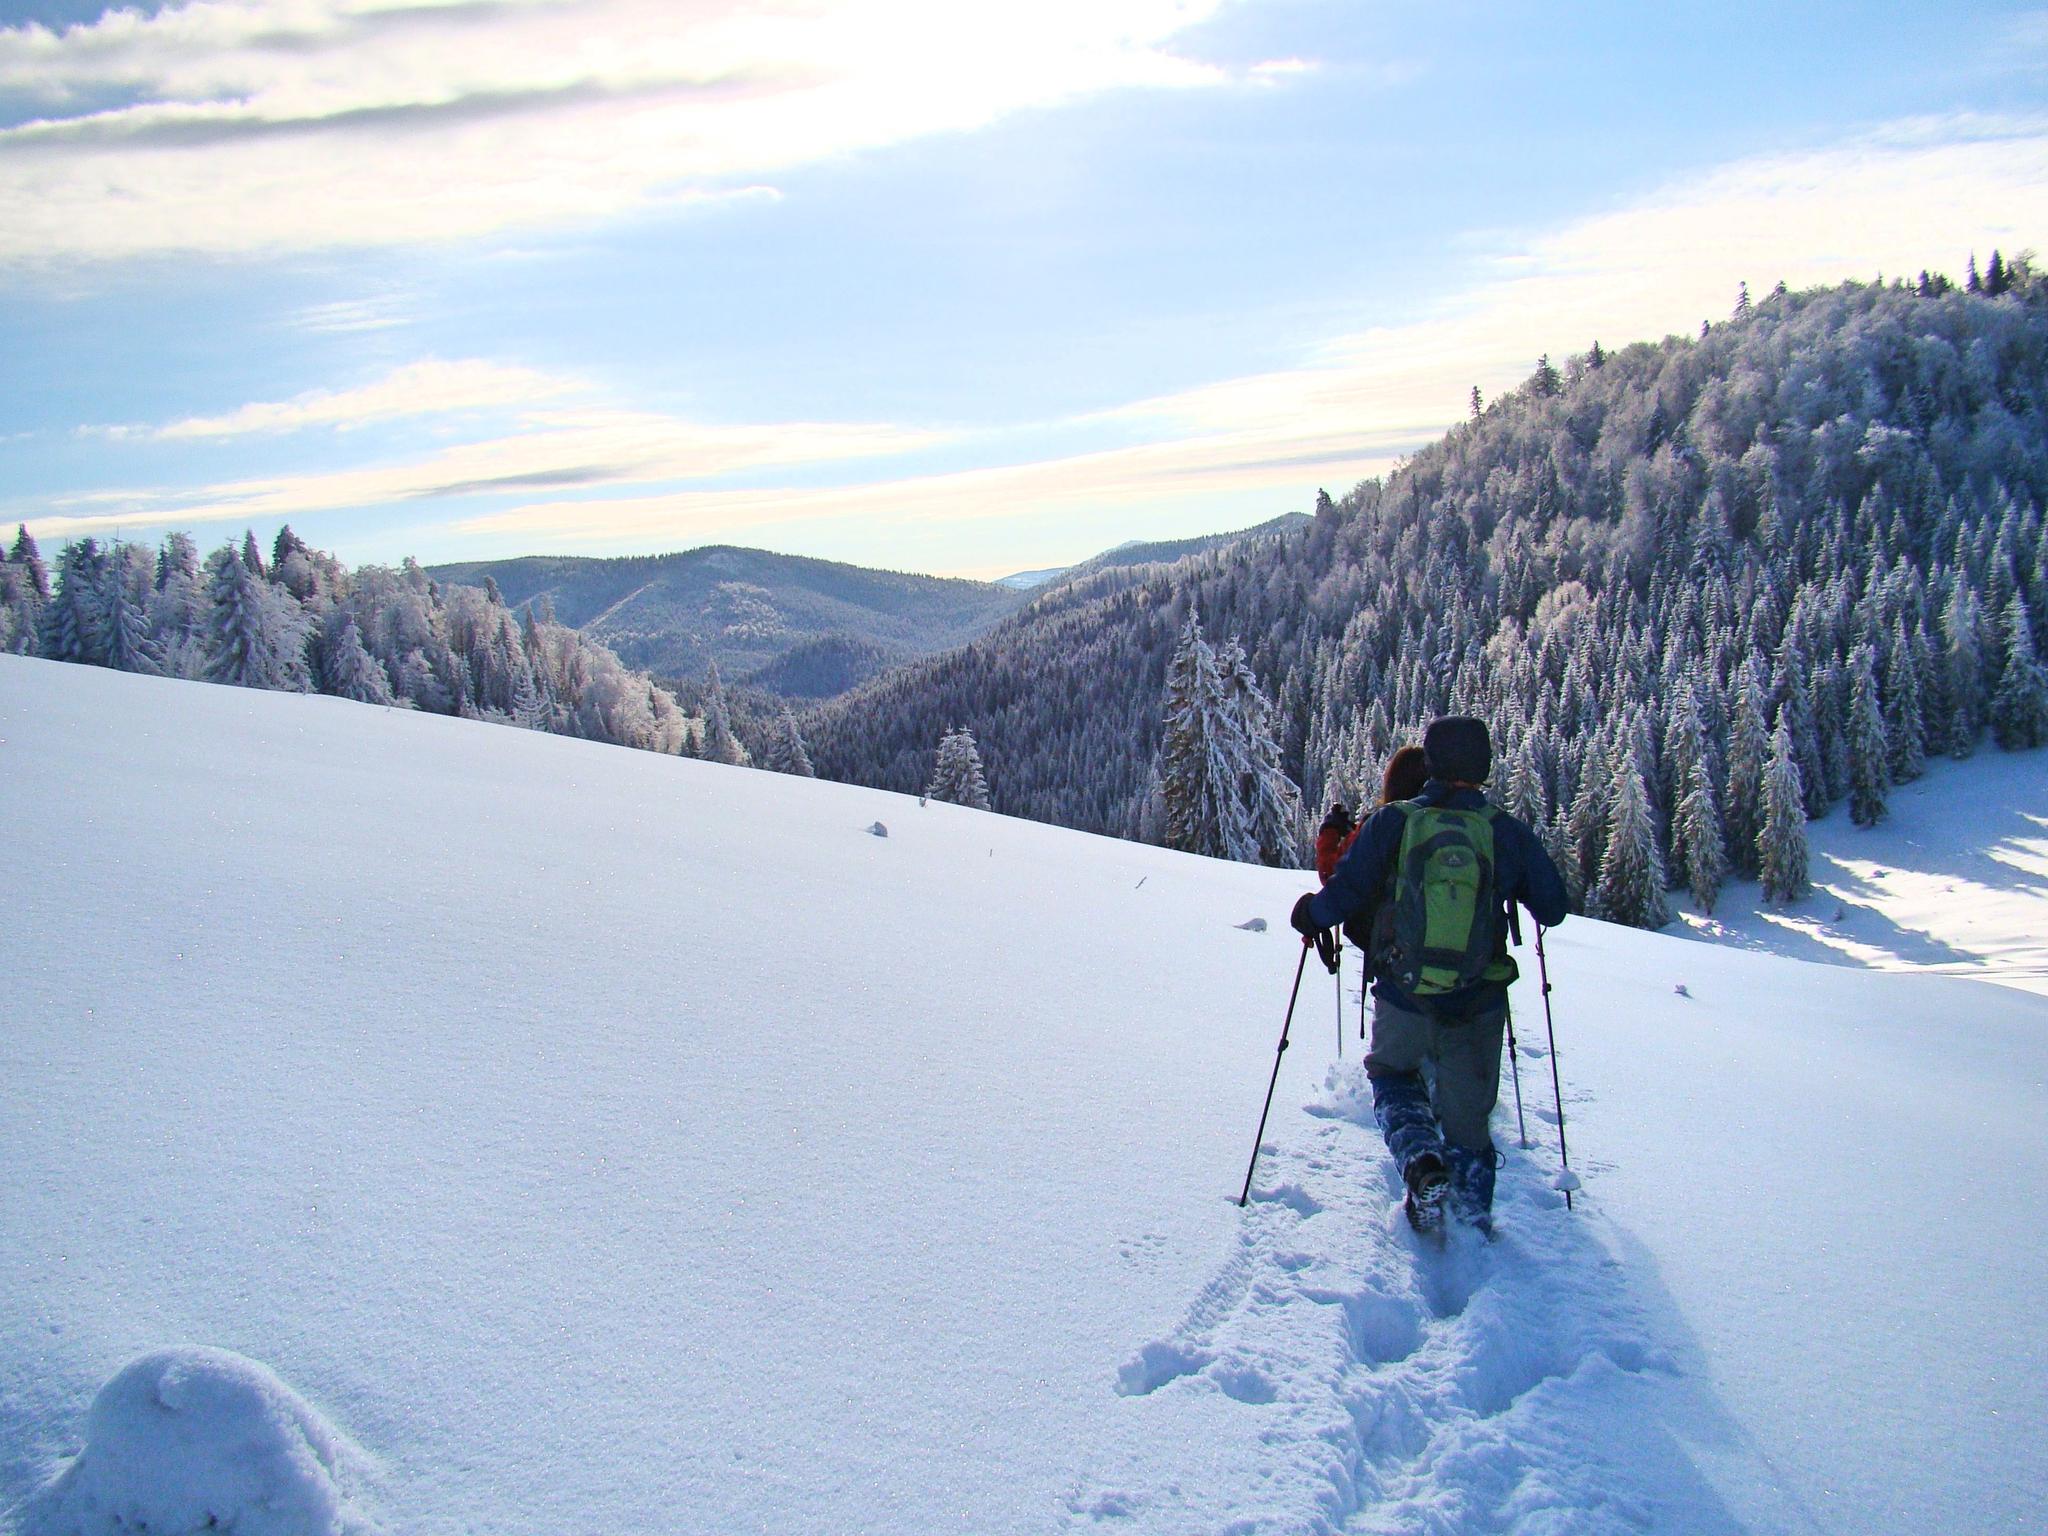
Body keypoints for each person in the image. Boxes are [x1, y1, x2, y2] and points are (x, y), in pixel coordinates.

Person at [1290, 717, 1567, 1234]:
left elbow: (1345, 893)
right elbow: (1553, 907)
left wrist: (1309, 913)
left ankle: (1419, 1159)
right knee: (1468, 1123)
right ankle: (1473, 1227)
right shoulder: (1503, 831)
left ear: (1432, 763)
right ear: (1483, 767)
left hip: (1404, 991)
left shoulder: (1393, 822)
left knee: (1393, 1077)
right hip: (1478, 1001)